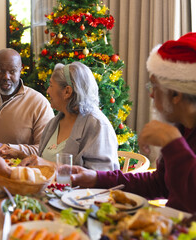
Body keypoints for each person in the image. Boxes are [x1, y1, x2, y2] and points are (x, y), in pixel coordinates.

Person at [70, 32, 196, 213]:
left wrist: (172, 143)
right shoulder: (183, 127)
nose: (151, 94)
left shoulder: (175, 136)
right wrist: (95, 178)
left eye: (154, 86)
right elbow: (159, 184)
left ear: (177, 94)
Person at [0, 61, 120, 171]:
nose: (48, 91)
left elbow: (101, 176)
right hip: (50, 192)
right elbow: (43, 162)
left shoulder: (97, 125)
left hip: (80, 196)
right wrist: (20, 155)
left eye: (51, 85)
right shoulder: (54, 123)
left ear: (67, 92)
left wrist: (48, 166)